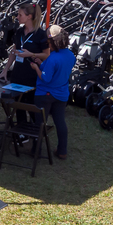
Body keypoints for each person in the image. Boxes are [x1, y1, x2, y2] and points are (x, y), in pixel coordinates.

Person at [30, 25, 76, 160]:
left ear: (54, 42)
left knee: (39, 123)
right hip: (61, 95)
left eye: (48, 42)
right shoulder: (70, 55)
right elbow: (59, 70)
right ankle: (62, 150)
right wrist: (42, 62)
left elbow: (46, 77)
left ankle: (36, 150)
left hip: (45, 94)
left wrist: (36, 68)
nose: (47, 44)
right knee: (60, 122)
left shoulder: (53, 58)